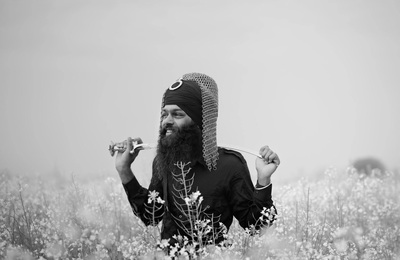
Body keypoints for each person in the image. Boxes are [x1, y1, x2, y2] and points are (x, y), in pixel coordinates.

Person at [114, 72, 280, 247]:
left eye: (177, 114)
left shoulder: (229, 165)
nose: (166, 121)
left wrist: (263, 180)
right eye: (164, 114)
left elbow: (255, 227)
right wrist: (124, 169)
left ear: (199, 121)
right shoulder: (163, 161)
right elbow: (151, 216)